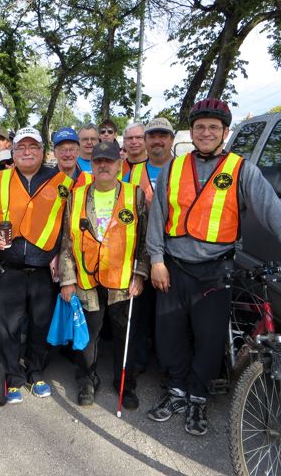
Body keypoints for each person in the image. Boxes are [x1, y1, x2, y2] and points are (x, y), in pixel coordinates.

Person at [146, 98, 281, 436]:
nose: (206, 132)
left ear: (225, 132)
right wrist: (156, 260)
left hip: (215, 269)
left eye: (213, 127)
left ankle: (198, 397)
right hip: (174, 266)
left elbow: (270, 208)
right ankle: (177, 391)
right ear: (192, 133)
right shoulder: (174, 167)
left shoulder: (241, 169)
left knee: (209, 339)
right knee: (169, 336)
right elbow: (158, 218)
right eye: (200, 127)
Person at [0, 127, 73, 404]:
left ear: (43, 152)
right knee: (7, 327)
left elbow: (70, 226)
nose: (27, 152)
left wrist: (60, 255)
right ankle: (13, 377)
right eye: (21, 147)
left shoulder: (63, 181)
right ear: (13, 152)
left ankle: (36, 372)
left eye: (33, 147)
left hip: (45, 269)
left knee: (41, 324)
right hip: (9, 268)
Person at [59, 141, 149, 407]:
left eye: (108, 161)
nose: (103, 165)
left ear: (119, 165)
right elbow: (66, 240)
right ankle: (87, 379)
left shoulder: (135, 195)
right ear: (92, 165)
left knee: (125, 336)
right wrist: (68, 279)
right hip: (87, 280)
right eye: (98, 161)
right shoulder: (77, 196)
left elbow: (145, 240)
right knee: (87, 337)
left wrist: (140, 274)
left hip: (123, 282)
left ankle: (125, 383)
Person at [124, 118, 176, 380]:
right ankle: (138, 360)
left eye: (163, 135)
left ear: (171, 139)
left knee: (169, 315)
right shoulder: (132, 172)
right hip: (142, 251)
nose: (157, 140)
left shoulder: (183, 169)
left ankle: (168, 366)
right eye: (152, 136)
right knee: (141, 311)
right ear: (145, 141)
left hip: (175, 251)